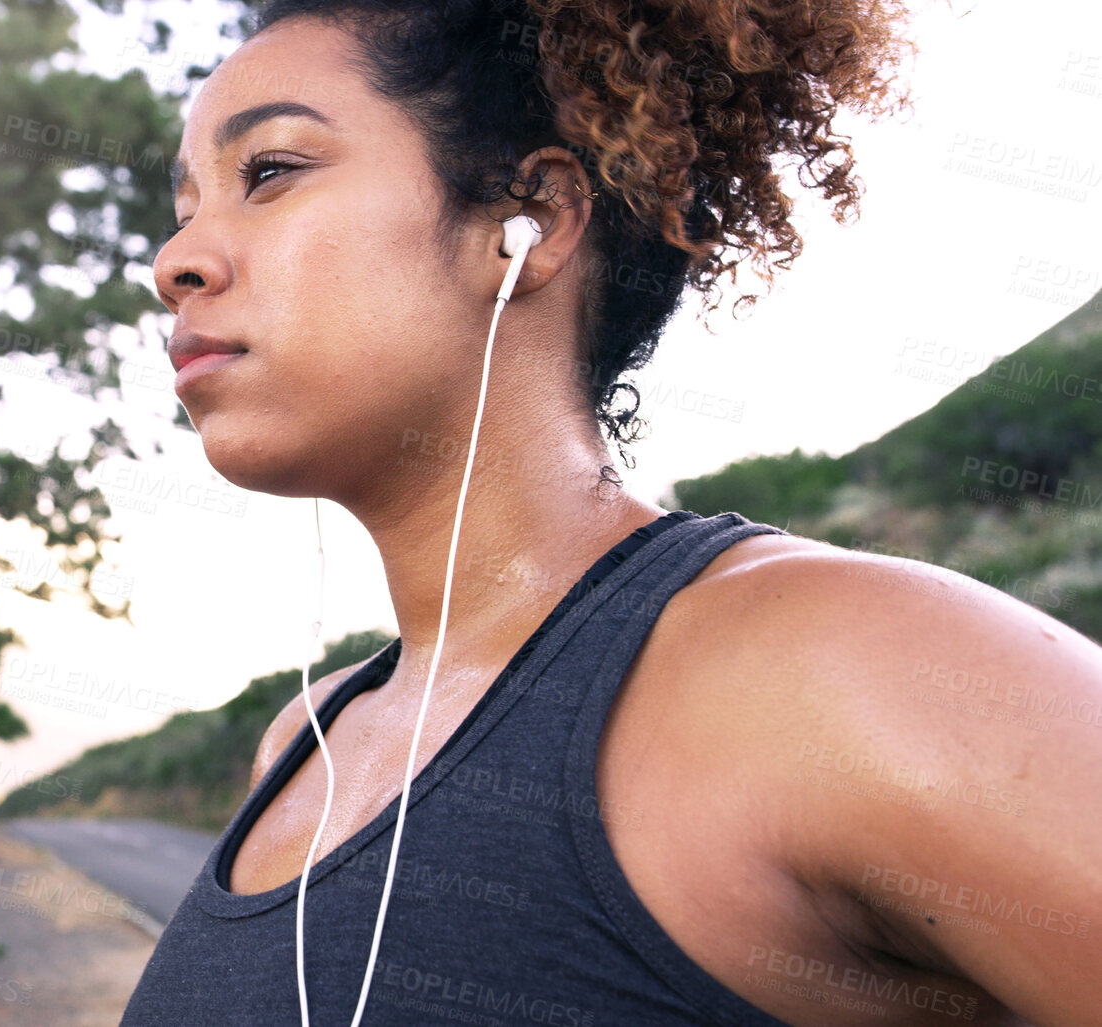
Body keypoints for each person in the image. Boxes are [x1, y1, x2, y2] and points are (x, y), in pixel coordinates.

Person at [118, 1, 1102, 1024]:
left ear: (531, 219)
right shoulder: (301, 748)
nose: (174, 263)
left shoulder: (831, 673)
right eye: (185, 205)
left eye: (270, 172)